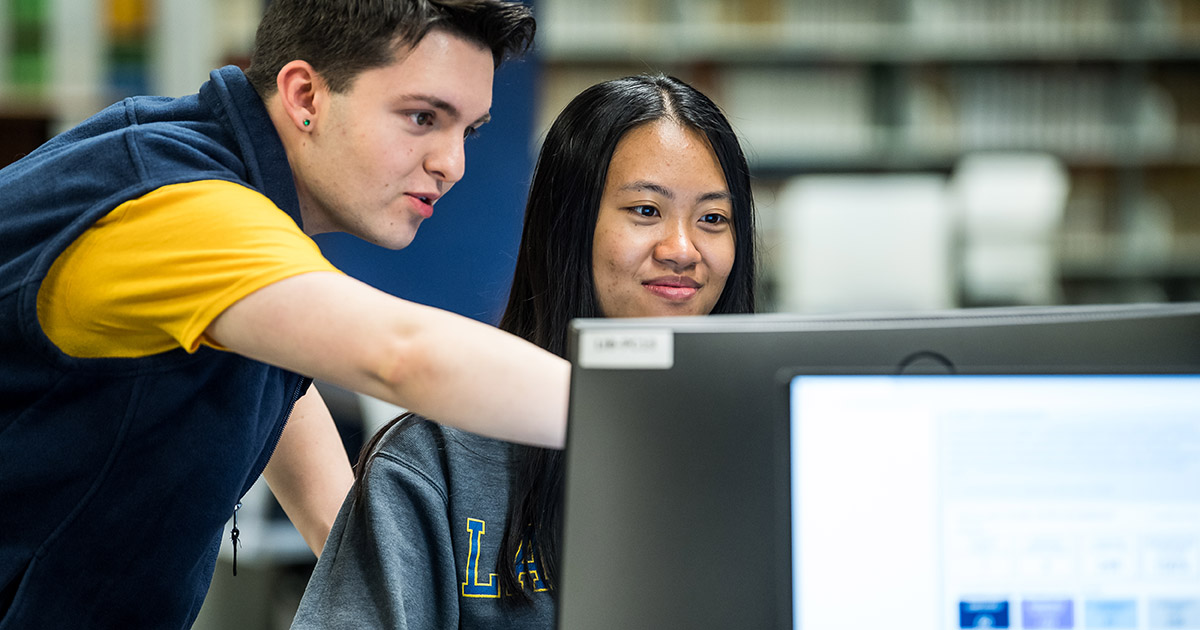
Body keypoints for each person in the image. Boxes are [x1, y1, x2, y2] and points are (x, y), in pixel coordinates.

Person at [0, 2, 571, 628]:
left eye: (470, 130)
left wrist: (398, 585)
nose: (451, 164)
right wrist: (648, 410)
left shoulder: (221, 191)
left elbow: (293, 405)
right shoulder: (177, 208)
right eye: (422, 117)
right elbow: (404, 355)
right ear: (305, 95)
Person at [290, 73, 758, 629]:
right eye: (646, 211)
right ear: (567, 227)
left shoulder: (777, 441)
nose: (682, 250)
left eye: (713, 219)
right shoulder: (435, 463)